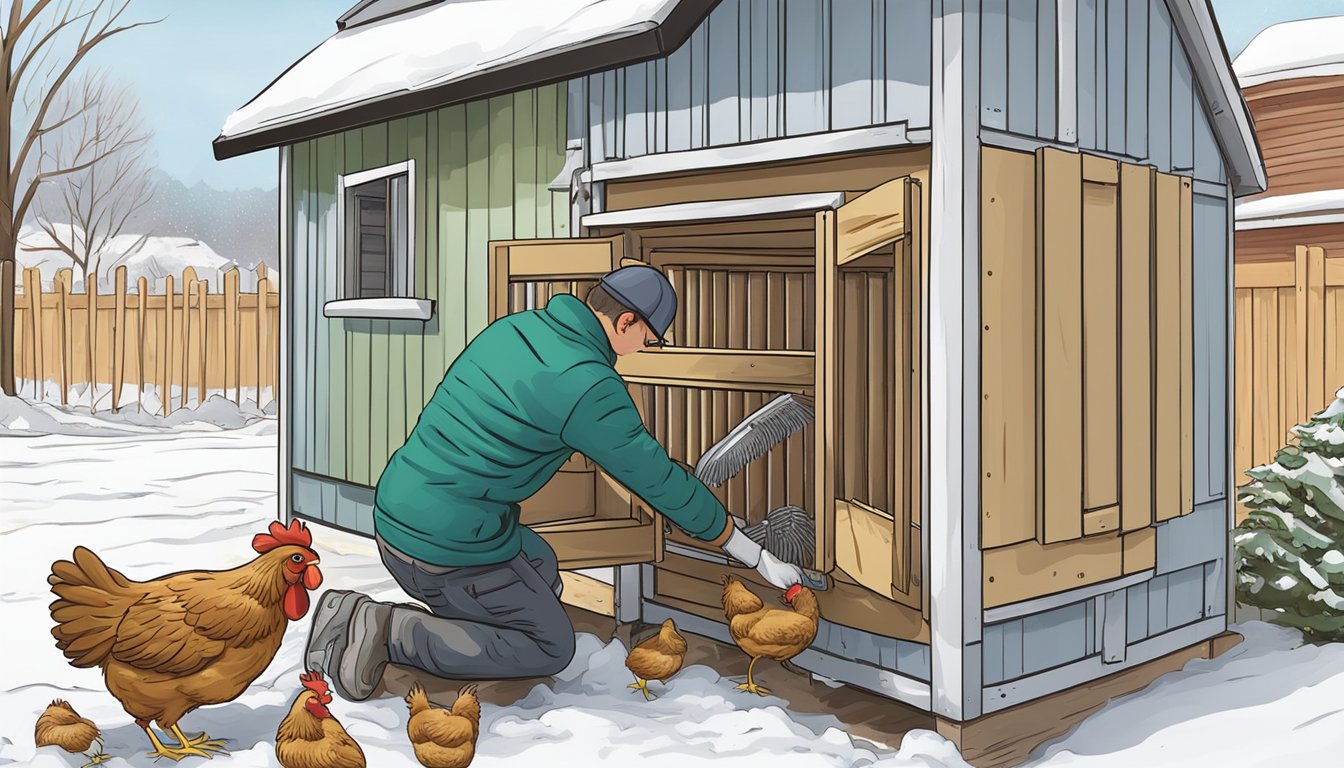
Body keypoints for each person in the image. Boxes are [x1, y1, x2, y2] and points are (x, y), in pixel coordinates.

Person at [304, 265, 806, 701]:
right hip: (444, 547)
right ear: (626, 321)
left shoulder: (516, 329)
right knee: (550, 646)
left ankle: (473, 622)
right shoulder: (587, 383)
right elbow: (658, 479)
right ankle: (387, 629)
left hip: (400, 508)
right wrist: (752, 552)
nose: (643, 351)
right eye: (648, 340)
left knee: (539, 562)